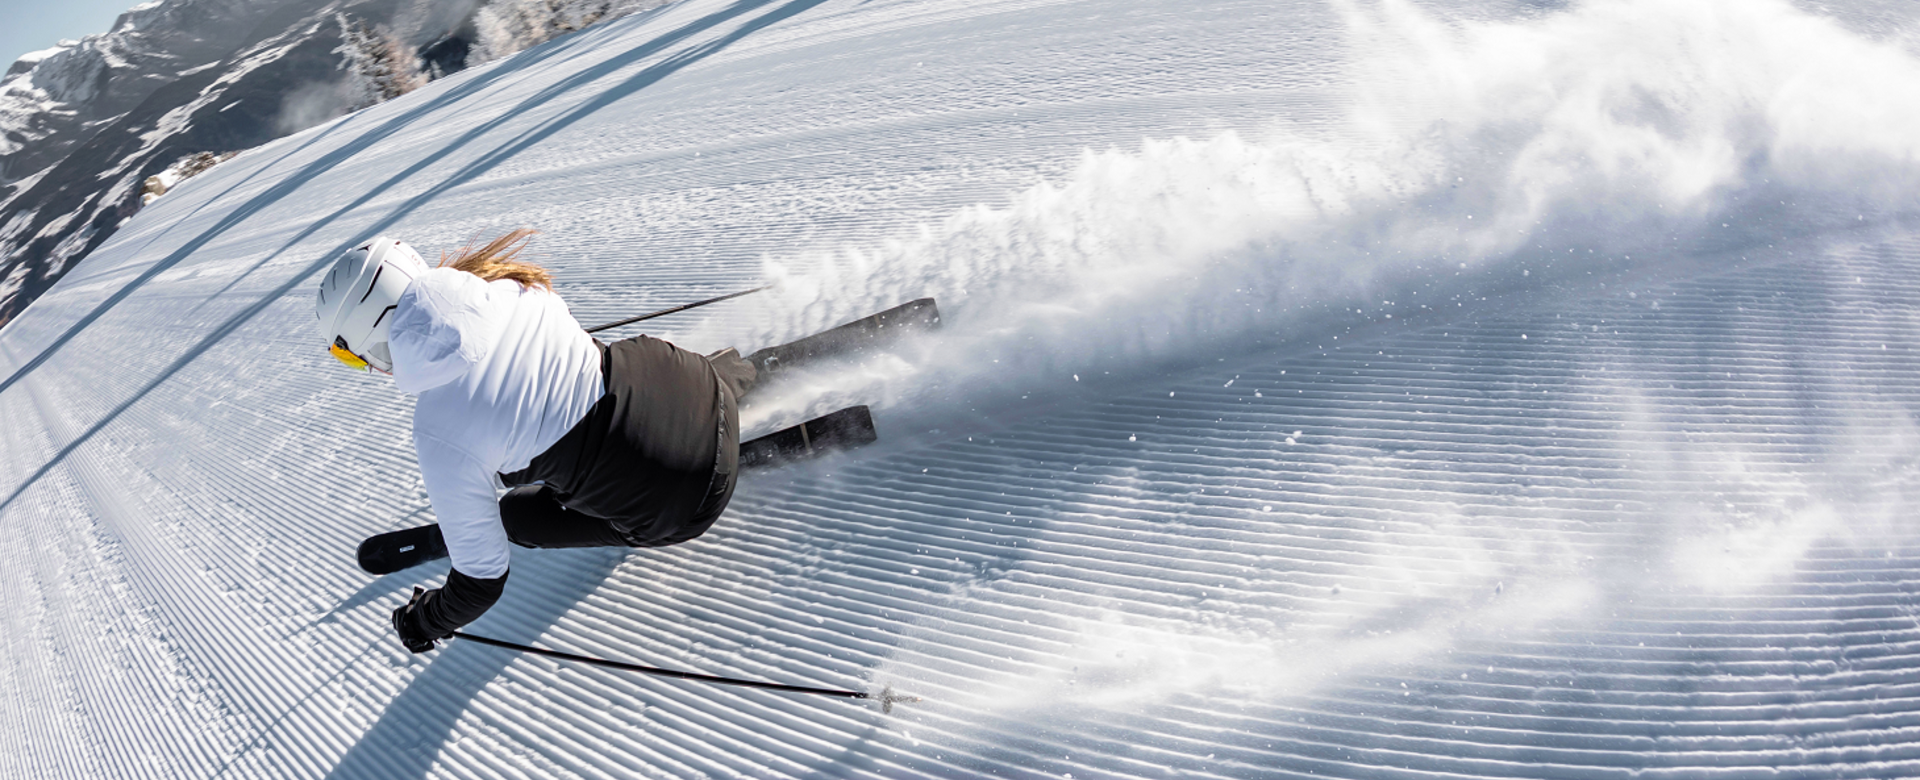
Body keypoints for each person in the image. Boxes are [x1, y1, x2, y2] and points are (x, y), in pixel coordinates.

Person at [315, 230, 756, 653]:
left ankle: (517, 508)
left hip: (686, 500)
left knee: (518, 516)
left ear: (372, 339)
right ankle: (736, 377)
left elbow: (481, 583)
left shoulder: (437, 435)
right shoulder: (512, 289)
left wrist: (422, 619)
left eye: (352, 357)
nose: (367, 368)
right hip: (696, 380)